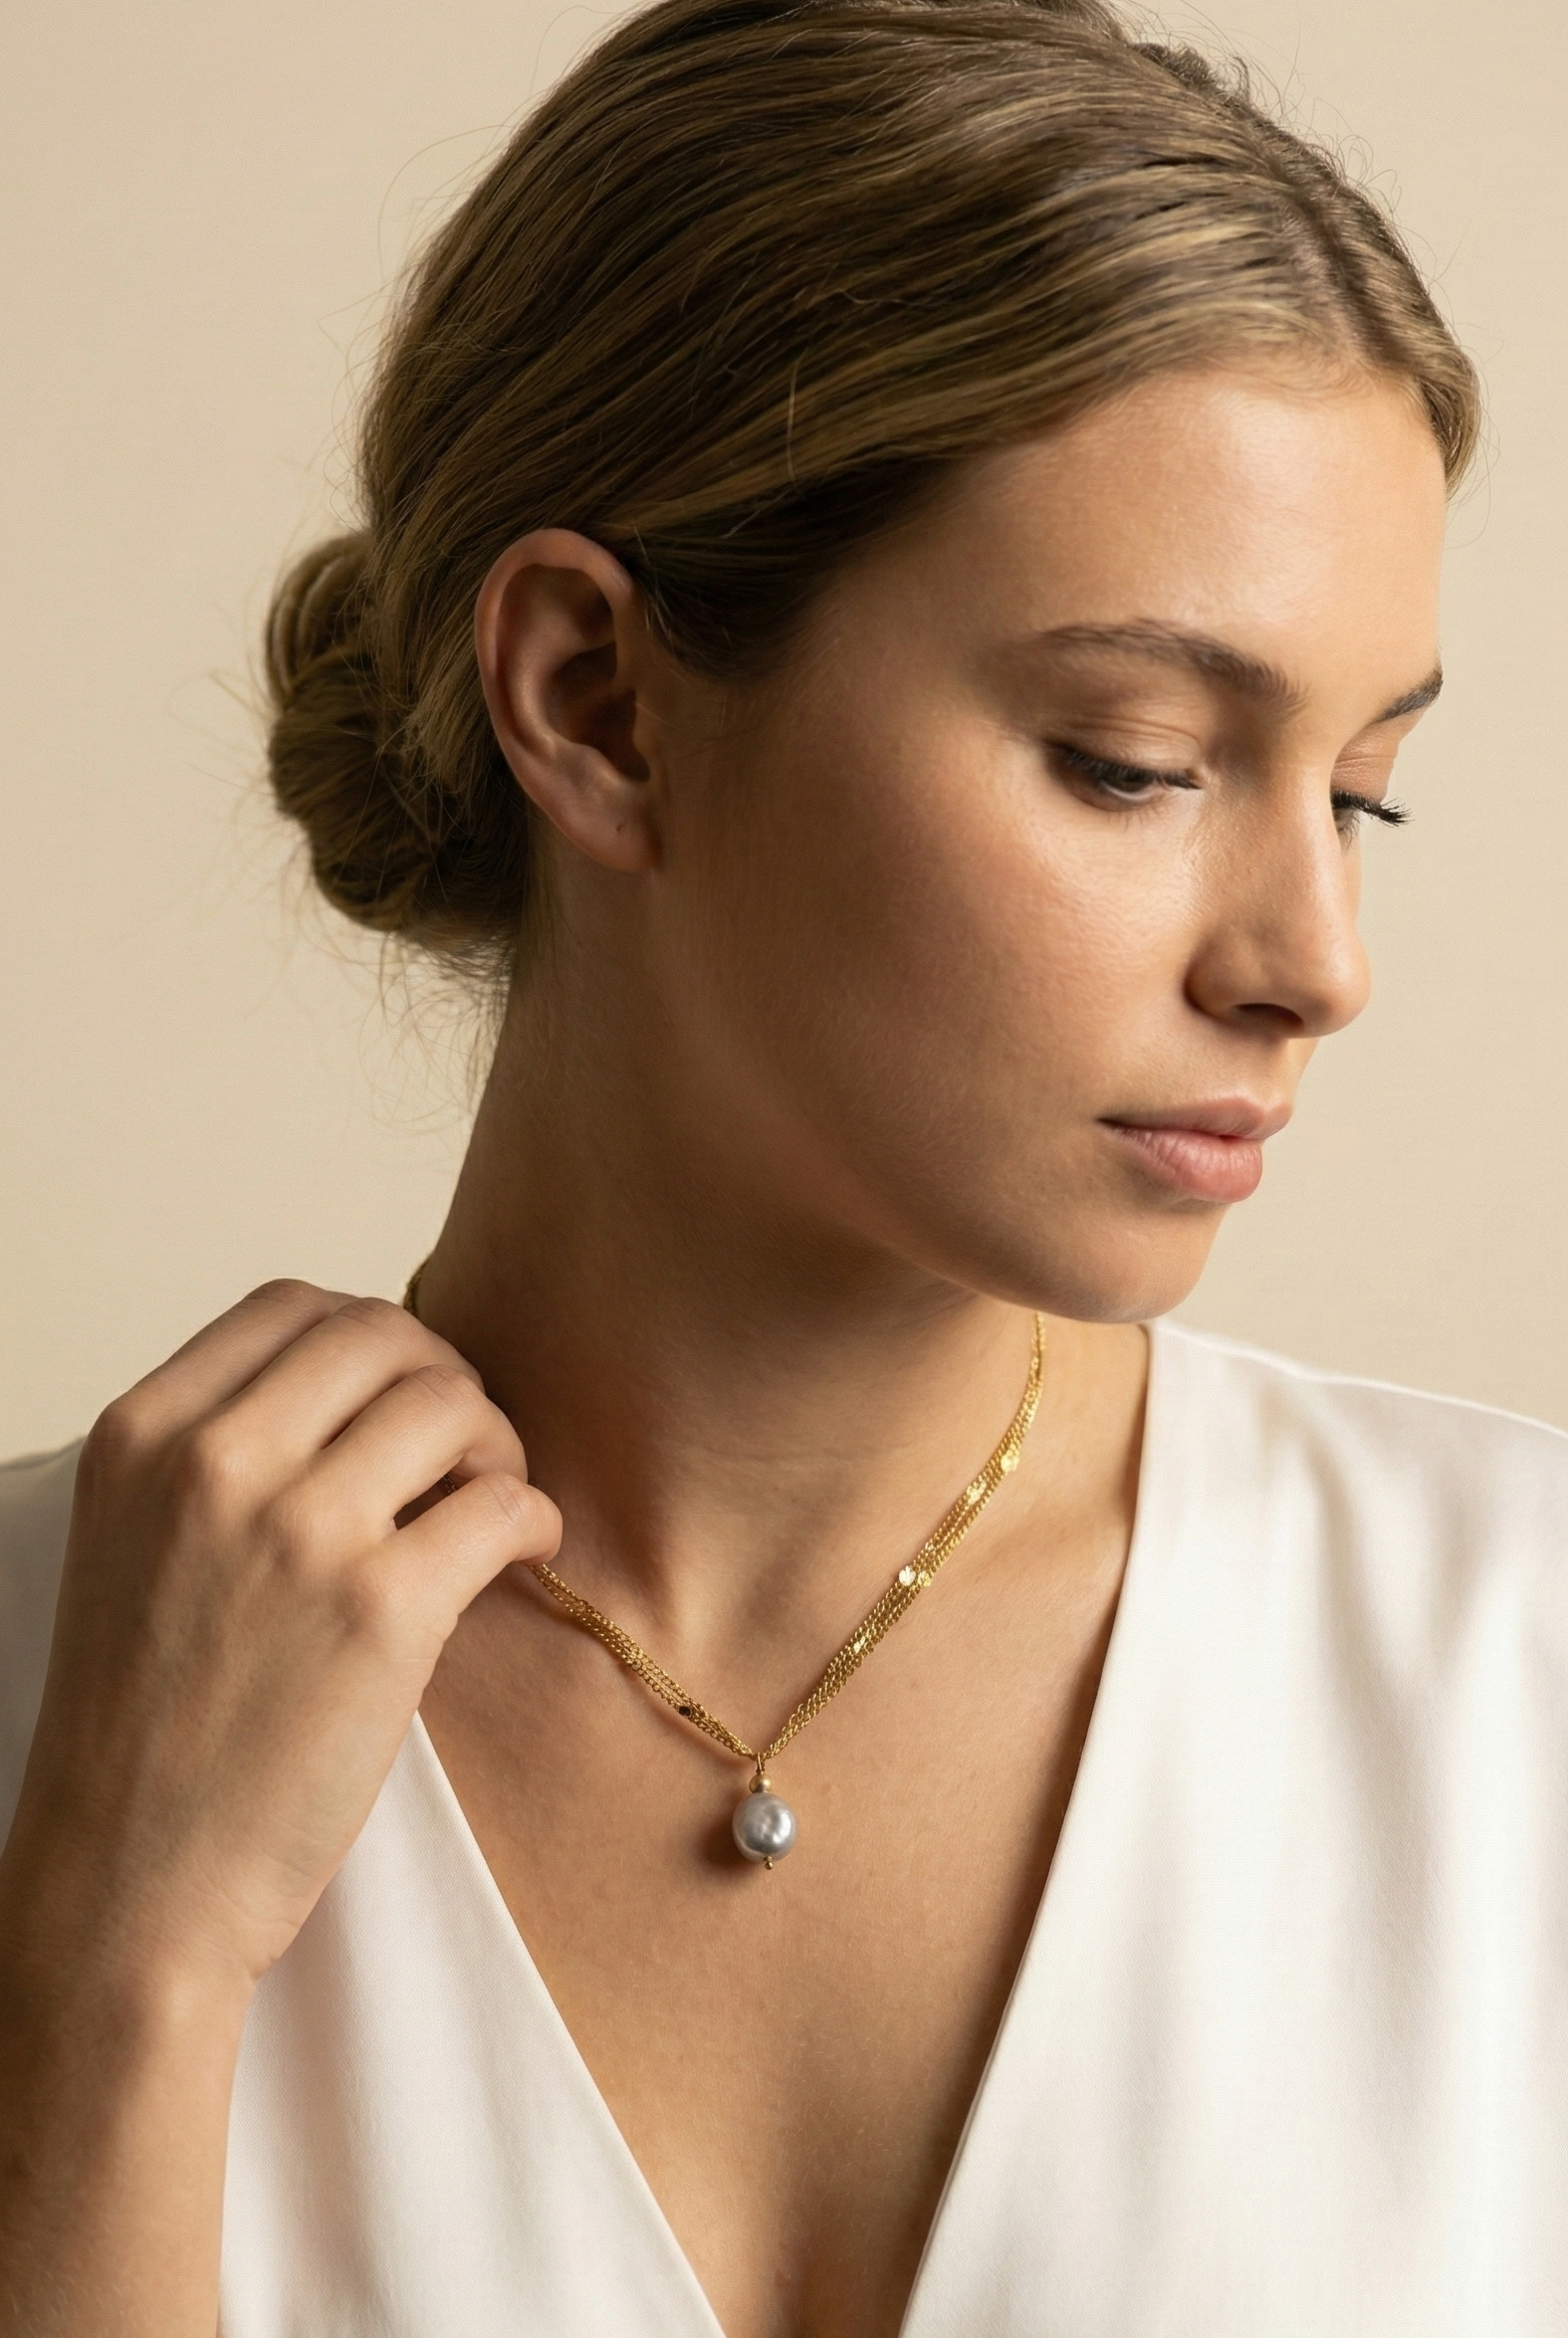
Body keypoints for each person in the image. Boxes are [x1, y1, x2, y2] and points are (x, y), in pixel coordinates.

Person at [2, 0, 1562, 2330]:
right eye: (1135, 760)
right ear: (595, 701)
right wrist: (107, 1997)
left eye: (1361, 789)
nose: (1312, 961)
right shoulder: (48, 1684)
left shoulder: (1519, 1674)